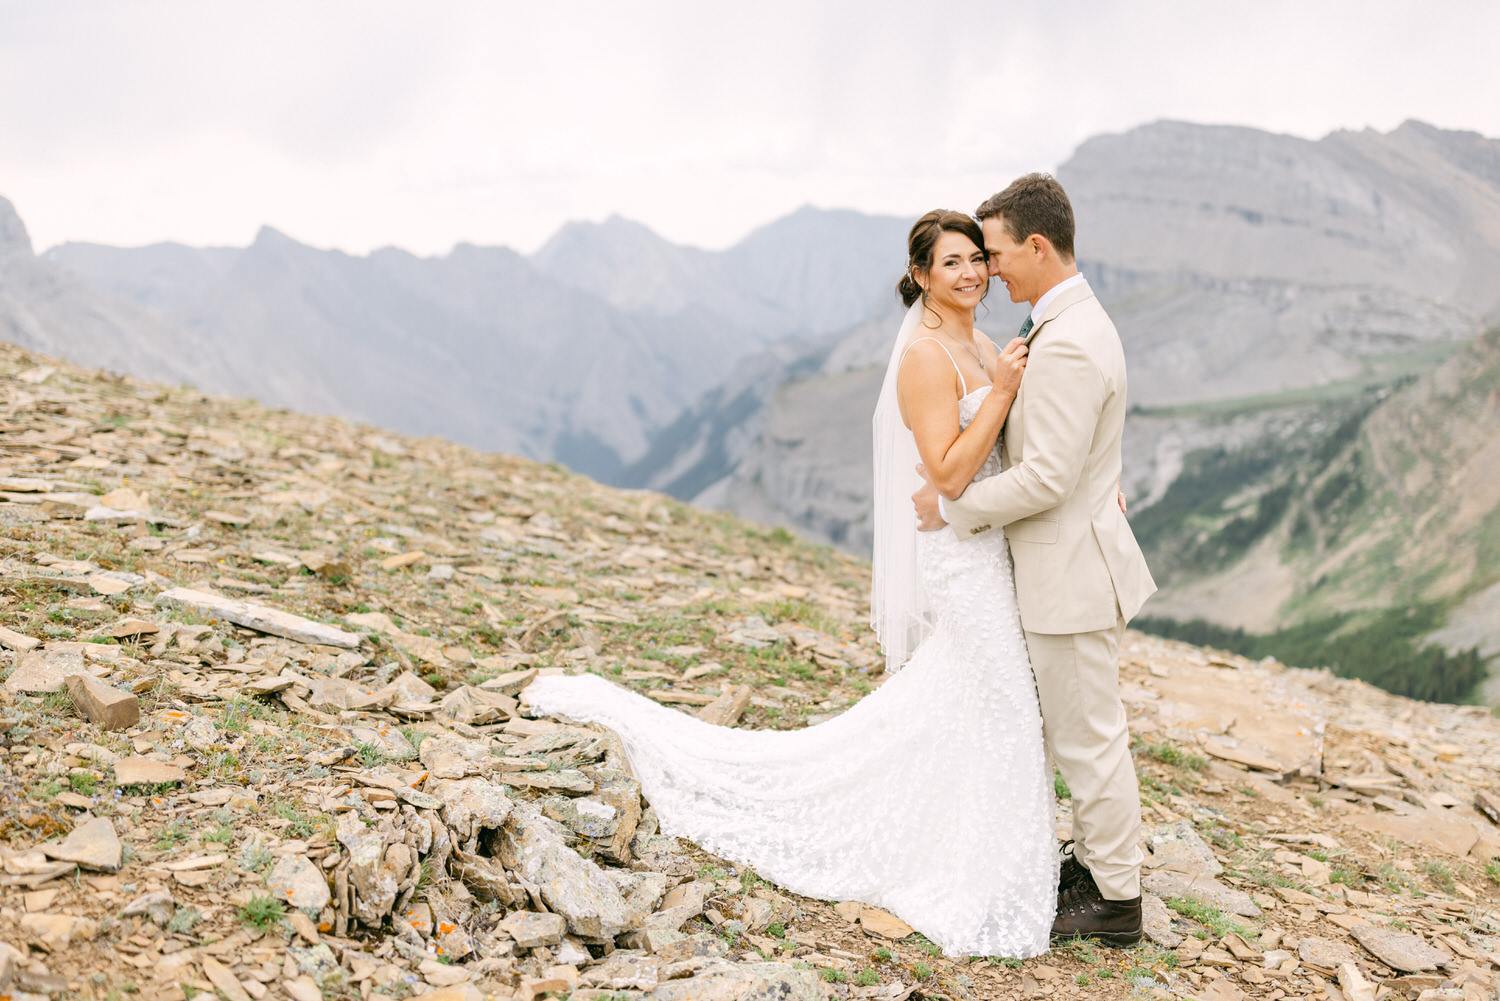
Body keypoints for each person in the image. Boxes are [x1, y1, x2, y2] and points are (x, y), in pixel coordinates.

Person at [524, 210, 1057, 958]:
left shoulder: (975, 340)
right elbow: (946, 473)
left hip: (989, 549)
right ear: (921, 277)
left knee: (973, 702)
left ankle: (969, 844)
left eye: (976, 258)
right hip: (961, 560)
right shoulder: (928, 358)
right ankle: (978, 871)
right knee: (1003, 699)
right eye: (951, 263)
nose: (970, 272)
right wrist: (999, 393)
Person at [913, 174, 1157, 946]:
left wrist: (953, 507)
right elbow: (1078, 453)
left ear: (1038, 246)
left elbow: (1050, 475)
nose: (989, 270)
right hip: (1065, 564)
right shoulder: (1066, 324)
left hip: (1070, 576)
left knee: (1089, 739)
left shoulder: (1074, 337)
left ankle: (1117, 902)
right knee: (1081, 731)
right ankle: (1094, 862)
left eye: (996, 253)